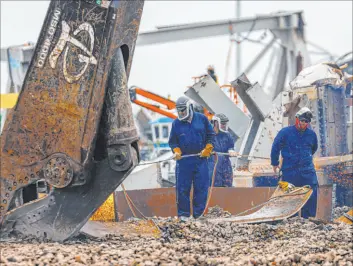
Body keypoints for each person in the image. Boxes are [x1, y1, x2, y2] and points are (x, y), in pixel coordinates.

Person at [168, 96, 215, 221]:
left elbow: (211, 135)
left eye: (183, 110)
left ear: (189, 107)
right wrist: (176, 151)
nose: (181, 113)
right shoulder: (176, 124)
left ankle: (198, 215)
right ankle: (184, 216)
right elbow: (173, 142)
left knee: (201, 188)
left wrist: (208, 148)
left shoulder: (202, 119)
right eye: (179, 111)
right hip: (184, 162)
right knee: (182, 189)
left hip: (201, 160)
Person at [271, 107, 318, 218]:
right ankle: (292, 221)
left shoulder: (311, 135)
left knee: (311, 193)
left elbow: (313, 149)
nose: (303, 124)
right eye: (302, 121)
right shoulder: (285, 132)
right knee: (290, 197)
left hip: (307, 171)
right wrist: (274, 162)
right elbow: (275, 147)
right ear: (297, 119)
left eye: (306, 122)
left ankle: (309, 220)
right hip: (290, 171)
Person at [209, 113, 237, 187]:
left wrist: (231, 150)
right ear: (215, 123)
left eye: (225, 123)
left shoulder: (227, 135)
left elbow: (231, 146)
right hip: (213, 164)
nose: (224, 125)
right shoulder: (208, 135)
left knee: (227, 185)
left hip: (226, 165)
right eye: (222, 123)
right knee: (214, 185)